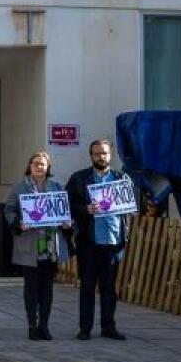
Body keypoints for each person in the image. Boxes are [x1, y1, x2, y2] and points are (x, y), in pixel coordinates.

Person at [66, 139, 133, 341]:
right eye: (96, 153)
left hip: (114, 242)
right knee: (87, 286)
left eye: (104, 153)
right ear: (91, 156)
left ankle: (108, 327)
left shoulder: (122, 178)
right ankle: (85, 329)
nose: (100, 157)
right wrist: (85, 209)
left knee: (109, 287)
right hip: (89, 241)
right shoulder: (79, 179)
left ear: (110, 155)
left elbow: (130, 205)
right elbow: (67, 204)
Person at [5, 151, 73, 341]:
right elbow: (9, 210)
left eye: (42, 164)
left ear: (48, 167)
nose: (39, 167)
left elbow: (64, 211)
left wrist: (68, 222)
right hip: (30, 244)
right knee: (31, 287)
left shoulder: (57, 187)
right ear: (30, 165)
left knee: (47, 288)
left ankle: (44, 325)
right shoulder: (20, 188)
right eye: (35, 163)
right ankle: (32, 325)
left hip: (51, 245)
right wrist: (18, 223)